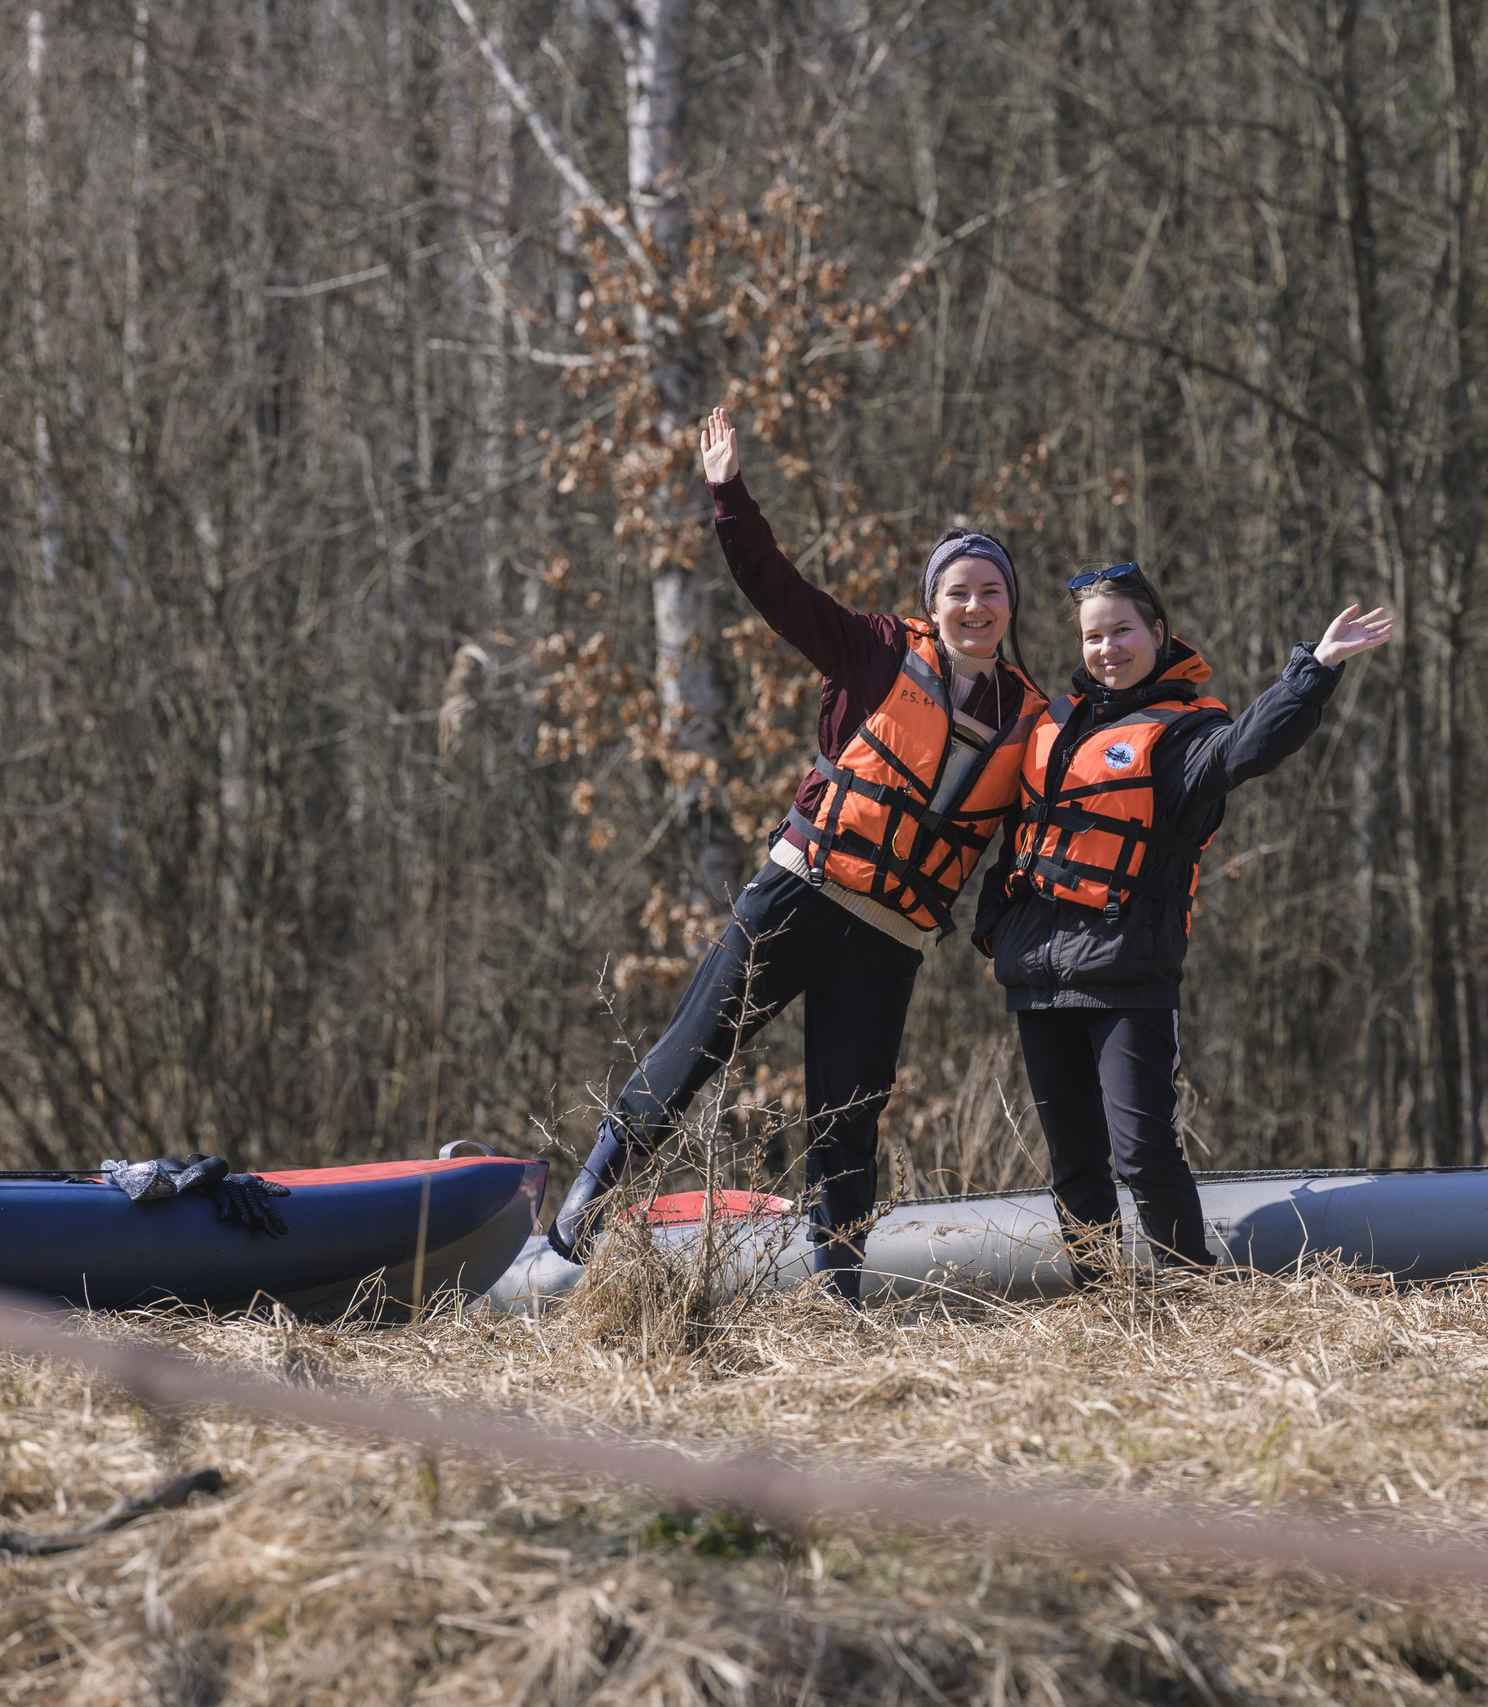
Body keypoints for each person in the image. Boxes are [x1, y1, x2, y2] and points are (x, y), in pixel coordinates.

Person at [548, 406, 1043, 1301]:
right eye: (958, 591)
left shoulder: (1029, 716)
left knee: (850, 1114)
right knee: (695, 1046)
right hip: (800, 892)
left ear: (1010, 606)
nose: (975, 607)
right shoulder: (873, 650)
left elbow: (1028, 844)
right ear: (933, 602)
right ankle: (588, 1196)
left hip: (890, 936)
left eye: (991, 592)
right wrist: (729, 494)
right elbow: (773, 585)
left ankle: (838, 1285)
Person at [974, 563, 1392, 1280]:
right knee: (1074, 1161)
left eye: (1122, 631)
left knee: (1142, 1151)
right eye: (1093, 636)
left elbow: (1247, 748)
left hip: (1126, 970)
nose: (1108, 648)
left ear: (1158, 633)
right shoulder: (1052, 725)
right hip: (1038, 974)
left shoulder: (1185, 735)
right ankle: (1103, 1298)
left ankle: (1188, 1291)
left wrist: (1313, 671)